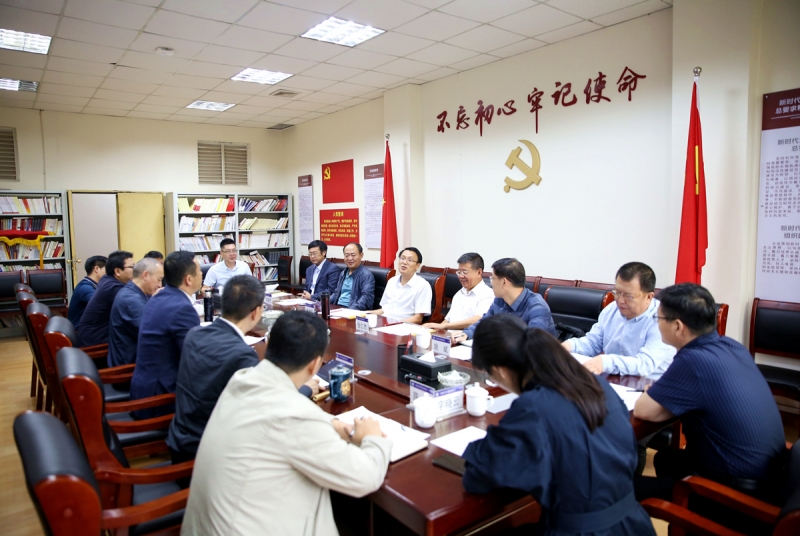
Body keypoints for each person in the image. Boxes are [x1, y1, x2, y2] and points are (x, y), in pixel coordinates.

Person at [181, 311, 391, 535]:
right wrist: (373, 439)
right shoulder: (293, 416)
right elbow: (365, 478)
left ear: (270, 343)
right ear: (315, 365)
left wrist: (331, 423)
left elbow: (280, 417)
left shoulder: (243, 378)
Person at [462, 314, 655, 535]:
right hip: (634, 524)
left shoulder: (533, 407)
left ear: (501, 371)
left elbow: (478, 478)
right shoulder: (596, 384)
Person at [634, 283, 786, 506]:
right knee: (666, 459)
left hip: (735, 494)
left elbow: (643, 410)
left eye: (658, 318)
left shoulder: (692, 360)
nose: (656, 324)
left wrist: (655, 394)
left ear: (678, 327)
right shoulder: (731, 346)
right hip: (770, 477)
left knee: (620, 491)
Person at [167, 275, 320, 472]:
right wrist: (305, 389)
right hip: (207, 455)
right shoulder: (241, 355)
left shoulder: (195, 334)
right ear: (256, 312)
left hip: (179, 438)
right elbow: (269, 412)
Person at [563, 262, 675, 378]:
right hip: (614, 378)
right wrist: (567, 346)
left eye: (628, 296)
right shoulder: (612, 309)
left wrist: (606, 362)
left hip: (649, 383)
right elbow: (593, 342)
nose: (620, 300)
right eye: (617, 292)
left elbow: (645, 364)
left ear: (649, 297)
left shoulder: (663, 319)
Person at [130, 251, 202, 419]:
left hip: (144, 390)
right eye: (199, 271)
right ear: (189, 279)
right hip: (160, 400)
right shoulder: (182, 308)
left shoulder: (159, 296)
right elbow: (194, 360)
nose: (201, 274)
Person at [458, 258, 556, 340]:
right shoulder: (499, 301)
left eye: (493, 279)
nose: (491, 283)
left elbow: (532, 342)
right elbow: (484, 323)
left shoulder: (537, 306)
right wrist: (466, 334)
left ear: (504, 282)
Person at [107, 257, 164, 368]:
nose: (160, 285)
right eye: (159, 279)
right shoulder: (131, 300)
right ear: (145, 275)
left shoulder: (134, 291)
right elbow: (155, 336)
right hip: (129, 368)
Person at [76, 250, 134, 347]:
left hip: (94, 334)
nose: (135, 270)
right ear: (117, 271)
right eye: (132, 267)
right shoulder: (112, 287)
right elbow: (134, 303)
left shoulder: (107, 279)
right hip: (95, 340)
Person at [423, 252, 493, 330]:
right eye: (459, 272)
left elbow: (478, 320)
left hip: (467, 336)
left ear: (479, 272)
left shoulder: (488, 295)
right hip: (450, 335)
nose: (460, 276)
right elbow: (448, 320)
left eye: (465, 272)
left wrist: (444, 326)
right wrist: (437, 331)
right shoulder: (459, 293)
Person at [369, 247, 431, 324]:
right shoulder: (392, 281)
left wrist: (394, 323)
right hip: (385, 323)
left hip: (403, 326)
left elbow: (418, 318)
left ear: (417, 266)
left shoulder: (423, 286)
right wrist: (365, 314)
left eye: (410, 260)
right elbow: (384, 310)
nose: (404, 262)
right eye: (402, 258)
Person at [330, 242, 375, 310]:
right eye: (347, 255)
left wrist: (350, 311)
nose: (350, 258)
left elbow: (366, 298)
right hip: (338, 308)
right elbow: (336, 293)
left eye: (353, 255)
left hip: (352, 310)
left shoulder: (366, 275)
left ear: (361, 255)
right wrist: (322, 303)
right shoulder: (343, 273)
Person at [67, 255, 106, 330]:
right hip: (81, 331)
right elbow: (102, 304)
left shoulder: (92, 284)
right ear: (97, 269)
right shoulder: (85, 288)